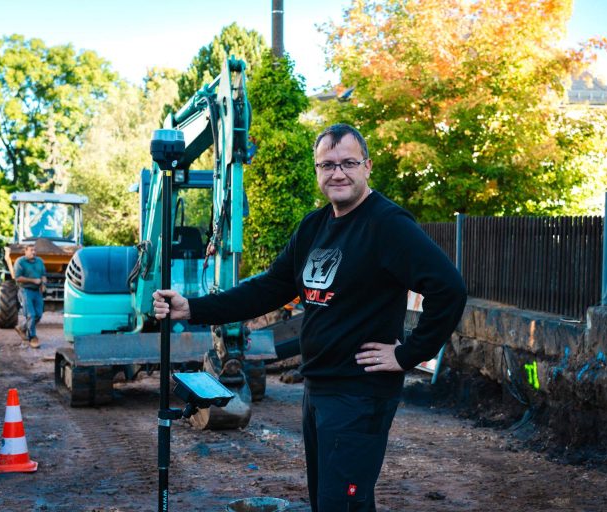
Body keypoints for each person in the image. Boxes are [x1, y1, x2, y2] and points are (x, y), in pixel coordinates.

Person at [153, 123, 467, 511]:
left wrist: (407, 355)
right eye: (328, 164)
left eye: (348, 163)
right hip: (318, 388)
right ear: (317, 171)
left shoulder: (388, 225)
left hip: (360, 395)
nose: (338, 172)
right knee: (329, 502)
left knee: (342, 504)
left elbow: (449, 289)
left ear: (367, 167)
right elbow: (268, 288)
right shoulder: (314, 227)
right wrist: (194, 308)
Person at [14, 245, 47, 349]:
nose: (34, 252)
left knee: (39, 314)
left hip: (37, 291)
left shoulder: (39, 261)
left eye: (35, 250)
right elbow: (18, 278)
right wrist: (33, 280)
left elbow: (43, 275)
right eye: (31, 250)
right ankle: (33, 337)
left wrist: (44, 284)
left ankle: (21, 328)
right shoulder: (20, 262)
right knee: (31, 315)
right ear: (26, 251)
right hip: (25, 290)